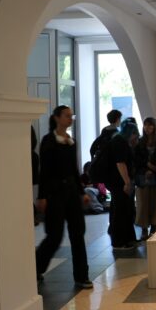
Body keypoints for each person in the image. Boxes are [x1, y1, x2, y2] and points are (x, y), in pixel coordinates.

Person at [35, 105, 92, 288]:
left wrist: (81, 192)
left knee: (78, 234)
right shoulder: (48, 141)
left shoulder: (71, 141)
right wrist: (42, 196)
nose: (70, 119)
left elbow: (74, 170)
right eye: (67, 116)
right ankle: (36, 268)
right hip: (55, 194)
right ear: (57, 118)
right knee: (54, 236)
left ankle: (82, 276)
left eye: (71, 116)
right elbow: (44, 171)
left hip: (72, 192)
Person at [105, 118, 139, 250]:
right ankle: (119, 242)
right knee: (121, 211)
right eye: (135, 134)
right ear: (131, 132)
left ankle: (127, 239)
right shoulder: (120, 142)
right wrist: (127, 182)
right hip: (119, 183)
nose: (136, 137)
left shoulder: (119, 140)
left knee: (123, 210)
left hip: (117, 182)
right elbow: (120, 163)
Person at [134, 117, 156, 239]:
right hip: (142, 177)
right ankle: (144, 229)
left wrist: (153, 169)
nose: (147, 128)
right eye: (145, 125)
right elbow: (136, 160)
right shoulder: (139, 142)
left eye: (150, 125)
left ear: (154, 126)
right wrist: (147, 168)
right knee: (142, 204)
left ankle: (154, 228)